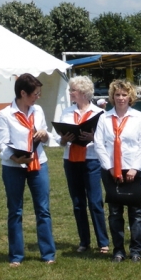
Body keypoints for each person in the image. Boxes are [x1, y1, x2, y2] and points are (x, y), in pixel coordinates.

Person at [0, 73, 56, 266]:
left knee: (43, 209)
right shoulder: (6, 114)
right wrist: (16, 157)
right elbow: (3, 144)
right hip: (14, 166)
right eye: (35, 94)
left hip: (39, 162)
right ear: (23, 93)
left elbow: (46, 134)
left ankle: (48, 254)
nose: (37, 97)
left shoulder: (37, 110)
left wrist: (44, 134)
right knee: (15, 210)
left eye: (39, 93)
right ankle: (16, 256)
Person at [94, 79, 141, 263]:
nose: (121, 98)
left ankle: (136, 250)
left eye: (124, 94)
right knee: (115, 212)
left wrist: (135, 168)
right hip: (111, 170)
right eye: (117, 94)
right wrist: (109, 167)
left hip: (134, 168)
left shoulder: (139, 117)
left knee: (136, 212)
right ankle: (118, 250)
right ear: (112, 97)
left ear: (130, 96)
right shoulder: (104, 118)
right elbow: (99, 144)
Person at [58, 75, 109, 254]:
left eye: (73, 90)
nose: (71, 93)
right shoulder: (66, 112)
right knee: (78, 202)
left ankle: (103, 242)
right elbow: (59, 140)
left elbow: (106, 140)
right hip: (71, 160)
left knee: (95, 202)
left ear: (83, 92)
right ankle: (84, 241)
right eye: (71, 90)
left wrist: (93, 137)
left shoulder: (99, 113)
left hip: (91, 159)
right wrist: (63, 138)